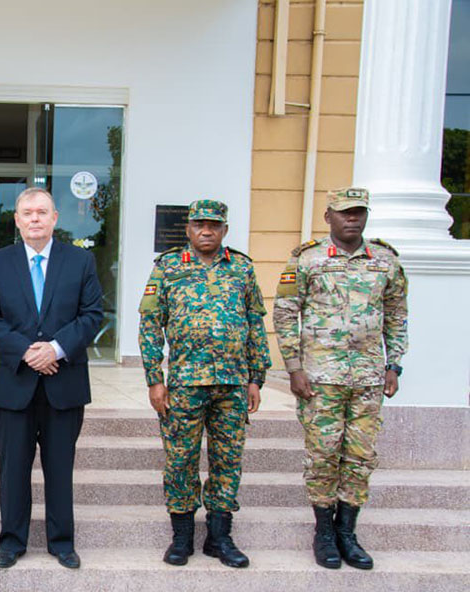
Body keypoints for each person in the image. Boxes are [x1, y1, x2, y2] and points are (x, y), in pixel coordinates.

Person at [273, 187, 408, 571]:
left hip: (368, 378)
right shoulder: (307, 260)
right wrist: (294, 368)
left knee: (360, 457)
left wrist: (393, 365)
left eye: (359, 212)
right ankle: (324, 533)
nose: (353, 219)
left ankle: (348, 531)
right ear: (328, 216)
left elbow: (397, 315)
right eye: (345, 213)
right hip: (320, 379)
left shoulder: (385, 260)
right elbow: (284, 313)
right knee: (323, 455)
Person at [0, 187, 103, 570]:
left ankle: (62, 542)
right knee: (12, 467)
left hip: (63, 384)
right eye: (27, 212)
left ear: (54, 219)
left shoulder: (80, 261)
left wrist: (56, 349)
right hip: (13, 382)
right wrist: (29, 352)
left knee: (60, 466)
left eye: (42, 212)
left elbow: (92, 314)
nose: (34, 218)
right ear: (16, 220)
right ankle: (11, 542)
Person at [138, 199, 270, 569]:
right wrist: (154, 379)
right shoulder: (167, 268)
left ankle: (219, 536)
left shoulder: (242, 268)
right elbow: (150, 325)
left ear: (225, 230)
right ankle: (181, 538)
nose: (206, 231)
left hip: (232, 384)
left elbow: (255, 324)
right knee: (180, 460)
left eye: (214, 225)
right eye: (199, 224)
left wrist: (256, 378)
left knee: (228, 461)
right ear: (188, 229)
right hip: (184, 384)